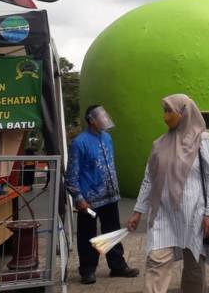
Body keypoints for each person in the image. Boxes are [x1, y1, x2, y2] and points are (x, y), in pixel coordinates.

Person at [126, 94, 209, 293]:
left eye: (169, 110)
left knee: (194, 267)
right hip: (163, 214)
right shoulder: (159, 144)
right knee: (156, 262)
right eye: (164, 110)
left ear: (184, 112)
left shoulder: (203, 141)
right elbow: (149, 180)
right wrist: (138, 211)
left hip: (193, 215)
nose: (165, 115)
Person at [65, 105, 139, 284]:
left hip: (110, 197)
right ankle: (87, 270)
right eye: (101, 116)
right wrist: (79, 198)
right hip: (89, 201)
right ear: (91, 120)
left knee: (112, 232)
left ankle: (117, 266)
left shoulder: (107, 138)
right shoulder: (79, 143)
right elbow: (71, 176)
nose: (105, 118)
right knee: (88, 236)